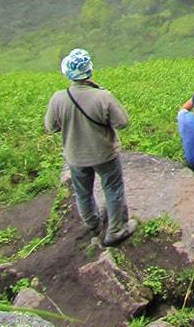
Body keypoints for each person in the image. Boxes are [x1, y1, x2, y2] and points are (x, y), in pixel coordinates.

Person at [44, 47, 136, 247]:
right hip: (104, 154)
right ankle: (116, 229)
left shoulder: (58, 98)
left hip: (75, 156)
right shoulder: (103, 97)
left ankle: (93, 224)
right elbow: (123, 122)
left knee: (83, 191)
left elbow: (50, 126)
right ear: (89, 71)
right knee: (113, 188)